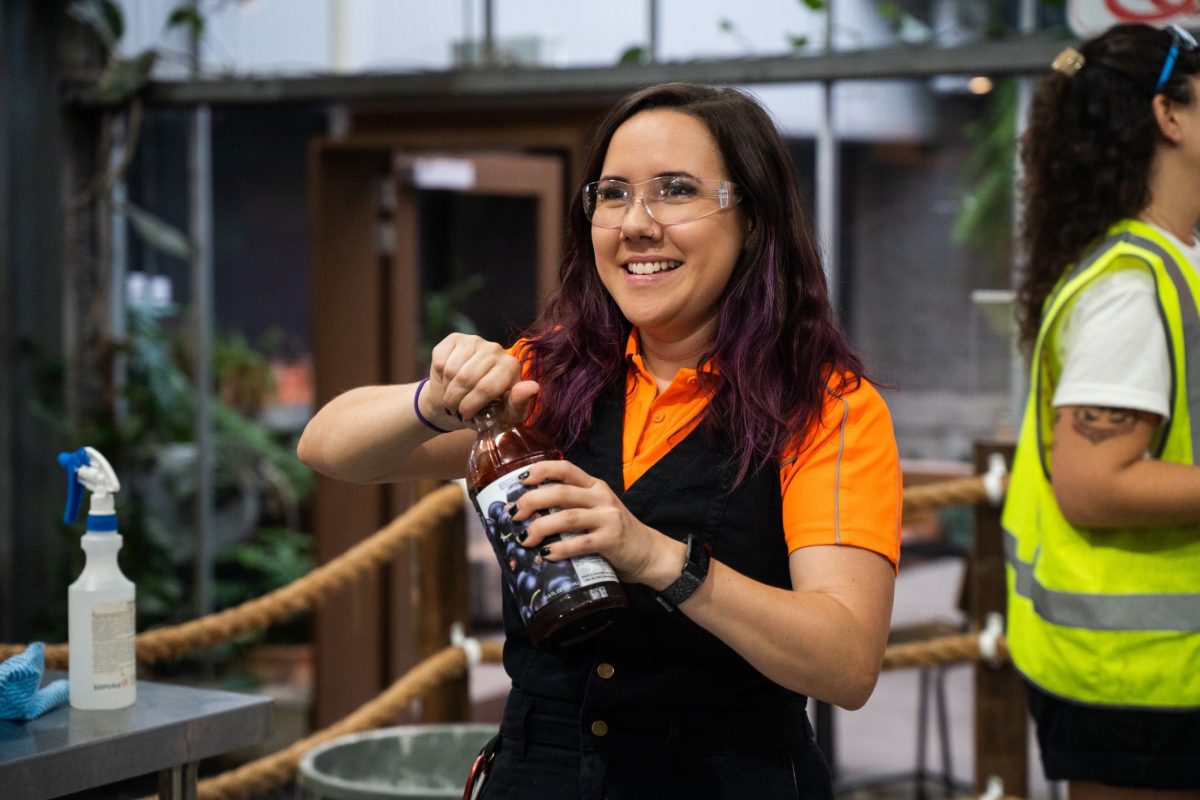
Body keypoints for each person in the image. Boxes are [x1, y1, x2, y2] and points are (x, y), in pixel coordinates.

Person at [298, 82, 900, 799]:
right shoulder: (550, 375)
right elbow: (327, 445)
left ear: (754, 219)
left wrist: (657, 558)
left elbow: (845, 662)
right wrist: (433, 401)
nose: (636, 224)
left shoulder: (824, 408)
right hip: (538, 773)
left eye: (674, 191)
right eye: (612, 194)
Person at [1003, 23, 1200, 799]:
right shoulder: (1129, 286)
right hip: (1132, 681)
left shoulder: (1168, 264)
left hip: (1153, 673)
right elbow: (1092, 482)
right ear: (1170, 116)